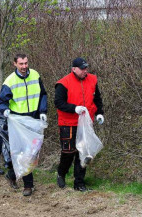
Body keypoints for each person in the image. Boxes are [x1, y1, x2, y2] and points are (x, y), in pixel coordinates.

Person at [0, 53, 47, 196]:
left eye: (26, 63)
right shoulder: (10, 81)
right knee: (24, 152)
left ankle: (12, 174)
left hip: (34, 118)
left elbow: (43, 94)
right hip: (18, 122)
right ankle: (28, 185)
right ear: (15, 64)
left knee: (32, 152)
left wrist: (43, 110)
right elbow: (0, 102)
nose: (24, 66)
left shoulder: (35, 75)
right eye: (21, 64)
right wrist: (5, 110)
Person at [54, 57, 104, 192]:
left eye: (86, 68)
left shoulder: (92, 79)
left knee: (83, 153)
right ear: (74, 69)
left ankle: (79, 183)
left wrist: (99, 113)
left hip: (85, 123)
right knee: (68, 152)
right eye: (82, 69)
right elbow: (58, 103)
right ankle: (61, 173)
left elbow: (97, 98)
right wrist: (74, 108)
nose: (85, 71)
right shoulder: (63, 83)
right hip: (68, 122)